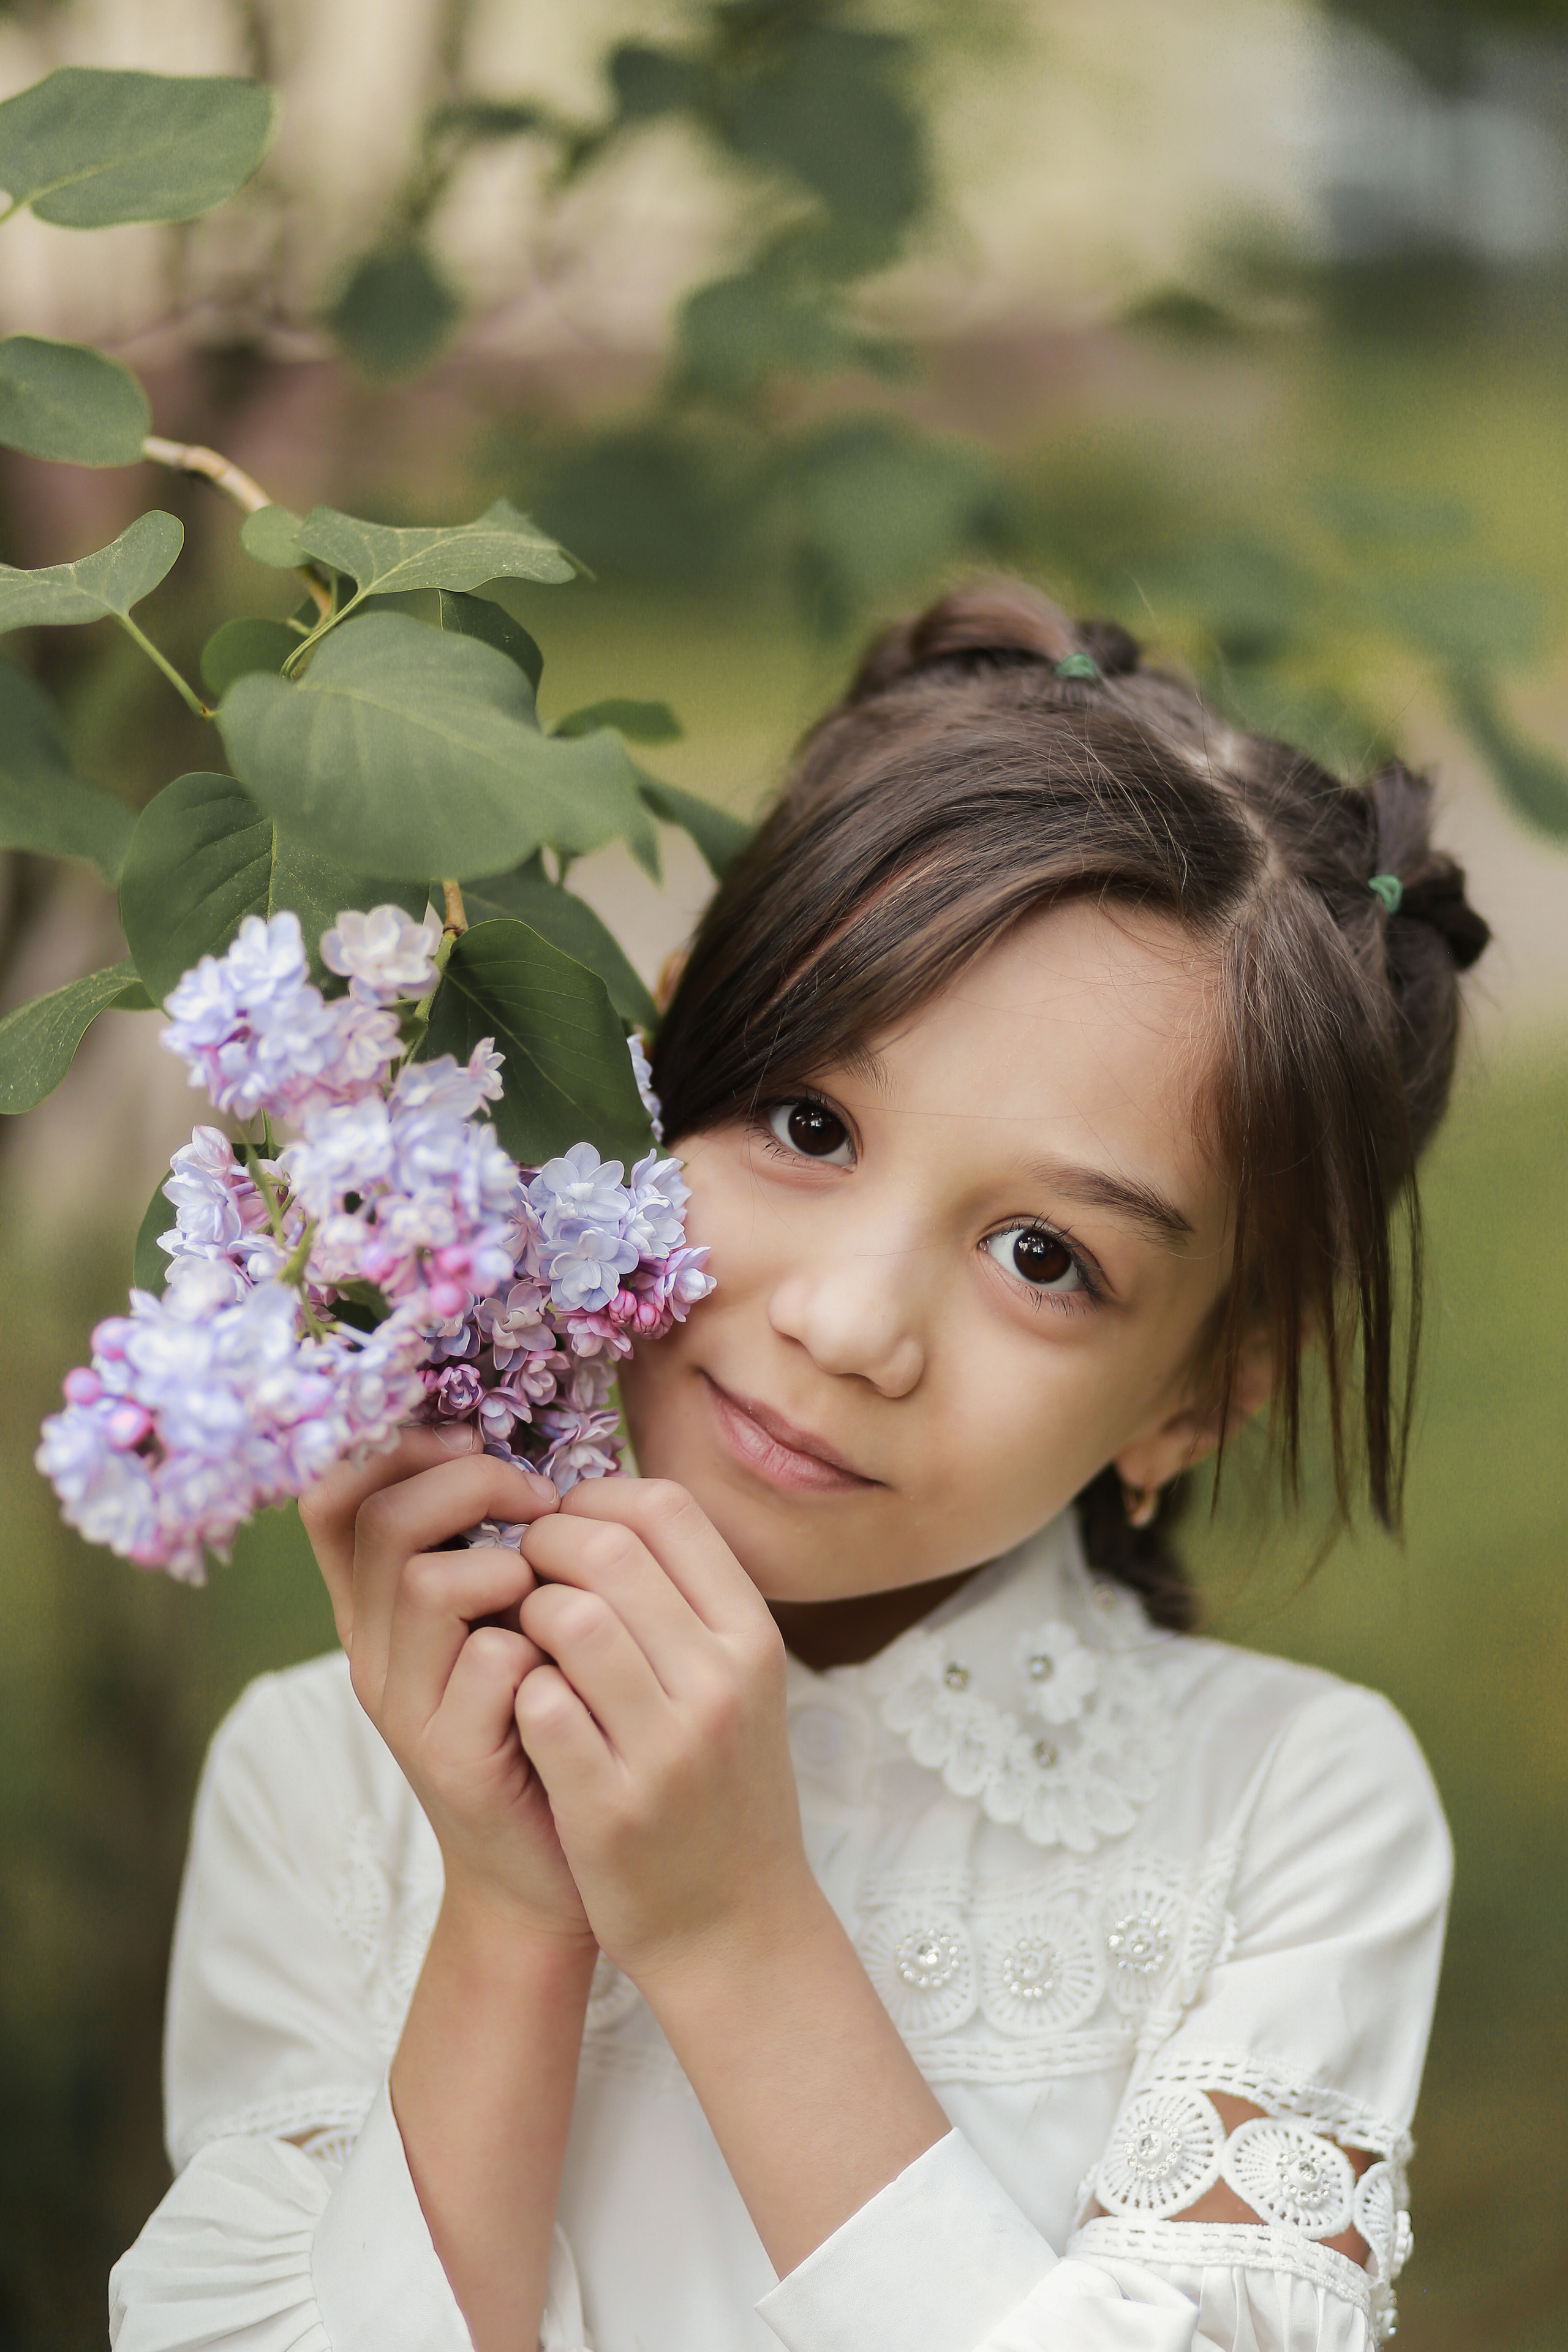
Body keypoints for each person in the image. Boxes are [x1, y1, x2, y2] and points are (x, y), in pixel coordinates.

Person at [109, 581, 1491, 2352]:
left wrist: (734, 1930)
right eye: (810, 1124)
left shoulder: (1289, 1814)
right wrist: (515, 1912)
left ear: (1201, 1399)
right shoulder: (325, 1782)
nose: (852, 1324)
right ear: (657, 1055)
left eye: (1046, 1258)